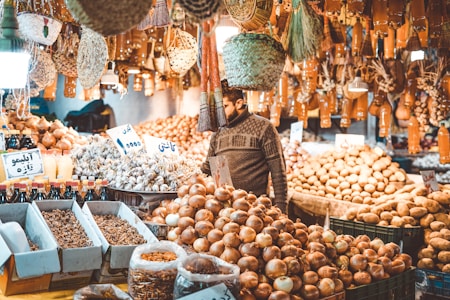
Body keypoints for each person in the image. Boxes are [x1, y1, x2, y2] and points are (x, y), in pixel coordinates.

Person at [201, 80, 288, 213]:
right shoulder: (217, 133)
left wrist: (282, 210)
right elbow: (207, 167)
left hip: (255, 210)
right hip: (224, 211)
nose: (219, 113)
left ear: (239, 103)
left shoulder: (263, 128)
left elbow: (278, 173)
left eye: (224, 107)